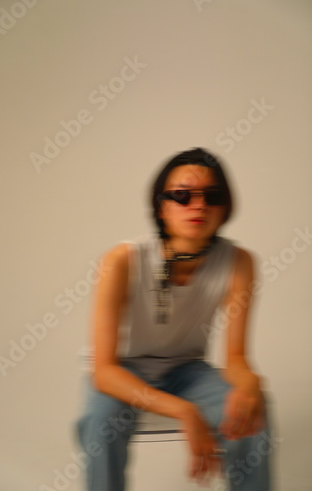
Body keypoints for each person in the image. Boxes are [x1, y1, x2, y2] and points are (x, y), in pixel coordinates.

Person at [74, 148, 272, 490]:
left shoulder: (239, 263)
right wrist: (185, 411)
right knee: (100, 424)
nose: (198, 205)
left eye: (212, 196)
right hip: (124, 371)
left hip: (188, 371)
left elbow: (237, 359)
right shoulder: (121, 261)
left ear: (224, 208)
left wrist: (253, 388)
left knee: (252, 415)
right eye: (182, 195)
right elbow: (104, 371)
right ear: (161, 207)